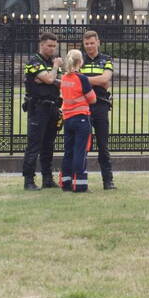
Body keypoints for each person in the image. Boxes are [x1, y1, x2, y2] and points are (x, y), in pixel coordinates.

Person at [21, 32, 63, 191]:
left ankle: (47, 178)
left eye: (54, 46)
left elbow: (59, 82)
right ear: (41, 45)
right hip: (38, 107)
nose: (52, 49)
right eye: (49, 46)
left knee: (48, 145)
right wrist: (52, 73)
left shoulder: (51, 63)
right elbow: (51, 80)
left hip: (53, 107)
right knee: (34, 145)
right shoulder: (33, 61)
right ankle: (29, 180)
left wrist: (48, 78)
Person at [81, 30, 116, 190]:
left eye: (92, 43)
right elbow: (101, 80)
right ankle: (81, 181)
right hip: (83, 106)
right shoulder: (79, 60)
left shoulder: (106, 59)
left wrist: (83, 79)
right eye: (86, 43)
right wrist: (98, 80)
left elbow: (105, 80)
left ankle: (108, 181)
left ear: (98, 42)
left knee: (103, 145)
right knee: (82, 145)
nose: (89, 46)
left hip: (101, 105)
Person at [60, 48, 97, 192]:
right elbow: (92, 99)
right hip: (81, 118)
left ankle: (66, 183)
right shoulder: (82, 78)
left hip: (67, 118)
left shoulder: (64, 78)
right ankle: (80, 184)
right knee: (80, 151)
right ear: (80, 61)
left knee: (68, 151)